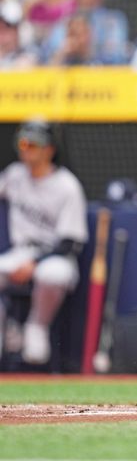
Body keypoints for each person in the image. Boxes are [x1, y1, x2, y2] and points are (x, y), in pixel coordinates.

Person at [0, 120, 88, 365]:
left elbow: (71, 242)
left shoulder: (67, 185)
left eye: (32, 144)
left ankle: (37, 326)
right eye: (23, 143)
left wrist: (34, 263)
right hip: (20, 253)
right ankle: (8, 333)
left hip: (54, 257)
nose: (25, 149)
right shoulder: (14, 175)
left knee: (53, 275)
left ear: (48, 149)